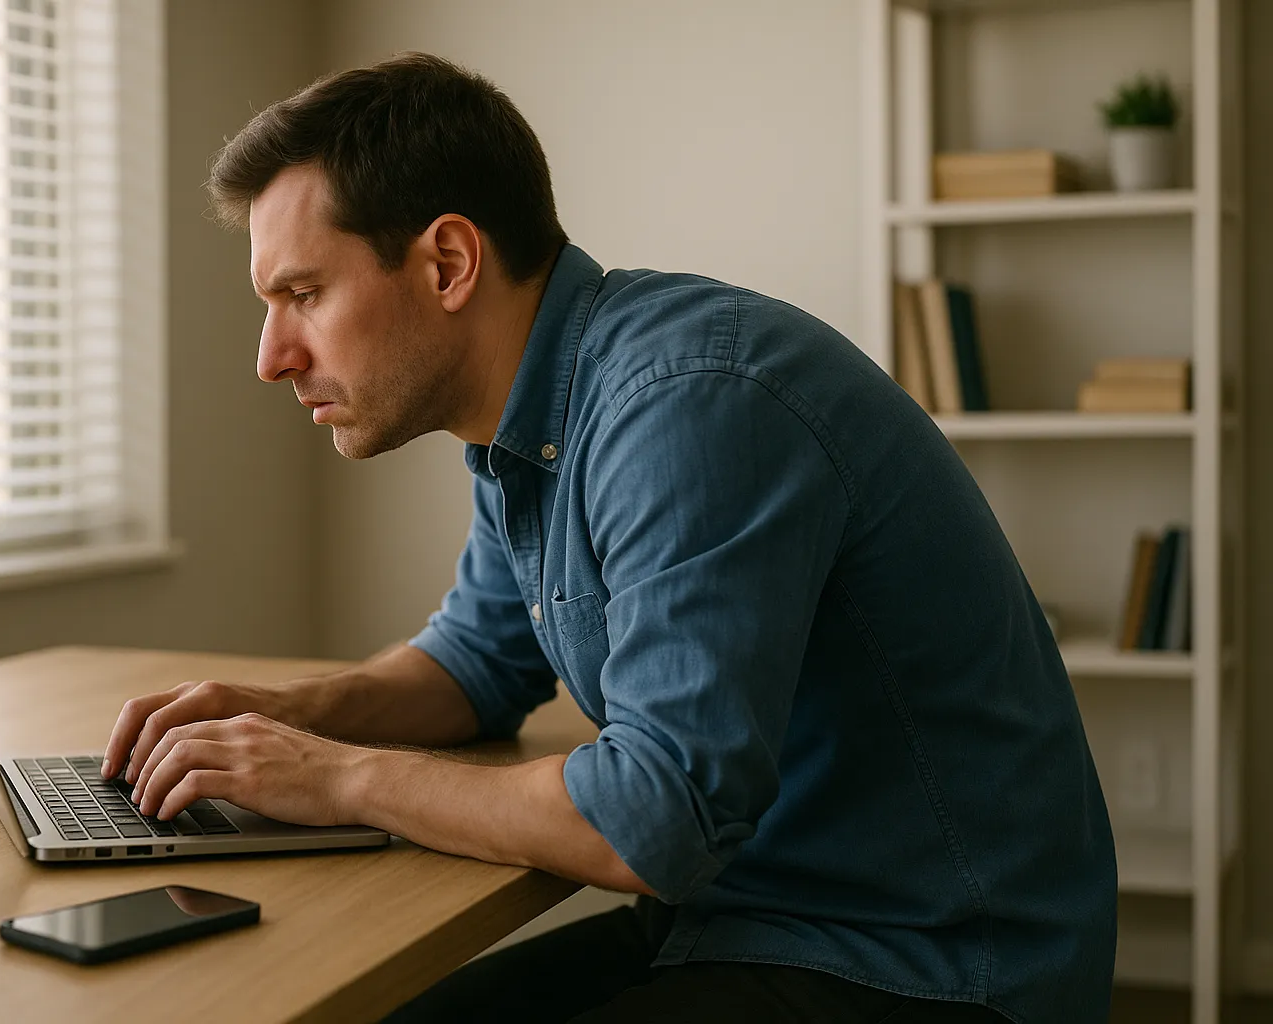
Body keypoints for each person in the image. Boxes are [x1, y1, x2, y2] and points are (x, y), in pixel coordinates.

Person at [100, 52, 1116, 1023]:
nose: (272, 356)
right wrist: (281, 722)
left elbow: (654, 813)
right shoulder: (533, 417)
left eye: (303, 294)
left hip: (925, 965)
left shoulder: (683, 408)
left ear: (449, 261)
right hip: (738, 919)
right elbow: (476, 665)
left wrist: (334, 777)